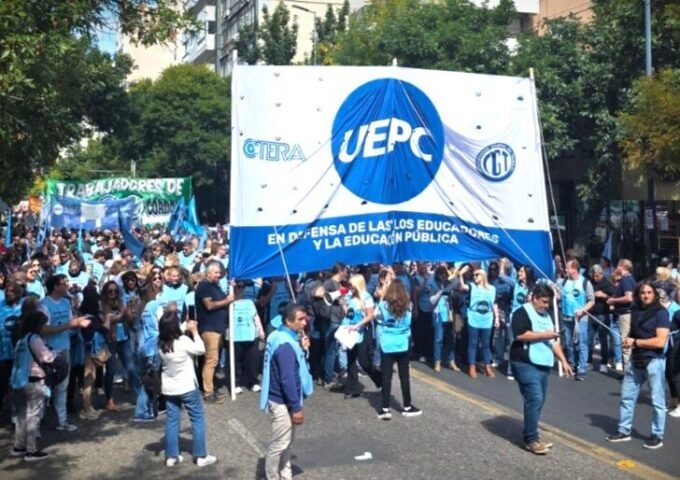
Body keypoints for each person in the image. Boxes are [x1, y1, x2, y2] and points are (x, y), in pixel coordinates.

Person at [510, 283, 573, 455]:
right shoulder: (521, 312)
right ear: (535, 298)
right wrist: (546, 335)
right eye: (544, 302)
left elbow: (553, 341)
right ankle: (531, 439)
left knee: (540, 400)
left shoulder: (547, 315)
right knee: (535, 398)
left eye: (548, 302)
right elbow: (521, 335)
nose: (546, 305)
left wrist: (563, 361)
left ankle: (532, 435)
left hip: (543, 362)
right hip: (524, 362)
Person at [606, 281, 670, 450]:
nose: (646, 295)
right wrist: (628, 341)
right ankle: (623, 430)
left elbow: (660, 341)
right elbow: (632, 333)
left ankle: (657, 435)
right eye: (643, 292)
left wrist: (635, 342)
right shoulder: (635, 310)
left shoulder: (661, 313)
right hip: (636, 359)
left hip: (654, 361)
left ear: (654, 294)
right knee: (627, 397)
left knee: (657, 401)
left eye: (649, 292)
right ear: (638, 294)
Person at [260, 304, 313, 480]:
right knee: (280, 443)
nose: (304, 322)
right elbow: (288, 379)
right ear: (288, 321)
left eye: (305, 318)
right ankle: (273, 476)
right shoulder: (286, 346)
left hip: (279, 397)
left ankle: (285, 474)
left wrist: (302, 349)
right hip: (282, 401)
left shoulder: (277, 335)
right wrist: (296, 407)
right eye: (300, 319)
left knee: (286, 442)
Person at [158, 311, 216, 467]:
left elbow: (173, 333)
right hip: (187, 387)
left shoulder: (161, 344)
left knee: (172, 420)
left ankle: (171, 456)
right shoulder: (183, 341)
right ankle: (201, 455)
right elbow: (201, 349)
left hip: (169, 388)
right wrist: (195, 332)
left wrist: (185, 325)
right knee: (197, 418)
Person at [41, 274, 90, 432]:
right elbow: (44, 329)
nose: (67, 286)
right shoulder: (44, 305)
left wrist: (80, 321)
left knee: (62, 386)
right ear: (55, 287)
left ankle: (62, 420)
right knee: (45, 387)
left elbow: (71, 323)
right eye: (64, 283)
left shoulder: (66, 302)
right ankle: (38, 420)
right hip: (48, 351)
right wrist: (69, 325)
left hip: (65, 348)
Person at [11, 311, 56, 461]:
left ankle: (19, 446)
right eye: (43, 324)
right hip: (34, 379)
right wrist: (54, 353)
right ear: (38, 325)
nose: (45, 327)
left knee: (21, 415)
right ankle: (31, 451)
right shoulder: (35, 339)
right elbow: (46, 357)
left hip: (18, 381)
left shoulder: (21, 340)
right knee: (33, 415)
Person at [376, 278, 421, 419]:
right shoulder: (409, 306)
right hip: (403, 343)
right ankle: (407, 406)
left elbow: (378, 319)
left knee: (386, 376)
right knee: (404, 376)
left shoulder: (383, 305)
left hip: (387, 343)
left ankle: (385, 408)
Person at [195, 261, 233, 403]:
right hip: (209, 328)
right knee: (211, 360)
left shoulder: (215, 287)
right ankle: (208, 392)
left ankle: (211, 387)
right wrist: (227, 300)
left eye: (220, 273)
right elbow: (209, 305)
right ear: (209, 272)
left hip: (218, 328)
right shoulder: (204, 286)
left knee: (213, 360)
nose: (219, 275)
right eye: (216, 273)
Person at [342, 274, 382, 398]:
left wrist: (357, 325)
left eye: (352, 285)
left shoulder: (366, 297)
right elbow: (349, 314)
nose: (350, 287)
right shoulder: (349, 296)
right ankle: (353, 389)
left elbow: (370, 316)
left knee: (364, 362)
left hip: (363, 331)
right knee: (351, 360)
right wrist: (343, 304)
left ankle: (380, 379)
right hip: (351, 331)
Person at [458, 266, 499, 378]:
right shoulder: (472, 286)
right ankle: (472, 366)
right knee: (473, 343)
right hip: (474, 318)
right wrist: (460, 275)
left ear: (483, 276)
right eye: (474, 275)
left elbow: (494, 304)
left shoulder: (492, 289)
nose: (475, 277)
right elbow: (462, 287)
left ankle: (487, 366)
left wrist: (497, 318)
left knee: (486, 344)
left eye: (477, 275)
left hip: (487, 319)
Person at [557, 259, 595, 381]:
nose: (566, 269)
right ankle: (572, 364)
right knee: (569, 342)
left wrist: (583, 310)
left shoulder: (585, 282)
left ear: (574, 269)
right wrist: (554, 290)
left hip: (581, 318)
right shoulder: (563, 282)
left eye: (568, 268)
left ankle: (582, 368)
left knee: (581, 343)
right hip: (566, 316)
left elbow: (591, 300)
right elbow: (558, 297)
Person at [230, 280, 265, 393]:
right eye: (238, 287)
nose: (240, 289)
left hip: (251, 334)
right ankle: (236, 383)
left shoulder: (249, 302)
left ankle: (253, 382)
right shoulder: (230, 303)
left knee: (252, 360)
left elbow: (255, 316)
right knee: (237, 361)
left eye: (242, 287)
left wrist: (261, 329)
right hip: (236, 335)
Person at [607, 259, 636, 367]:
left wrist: (613, 300)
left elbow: (629, 297)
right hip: (623, 314)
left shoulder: (626, 280)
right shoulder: (628, 279)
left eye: (618, 265)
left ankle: (628, 371)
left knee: (625, 343)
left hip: (625, 314)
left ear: (623, 267)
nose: (616, 267)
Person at [660, 289, 680, 417]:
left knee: (675, 375)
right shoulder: (674, 310)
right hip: (671, 345)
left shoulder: (676, 311)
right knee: (669, 373)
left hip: (677, 346)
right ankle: (673, 399)